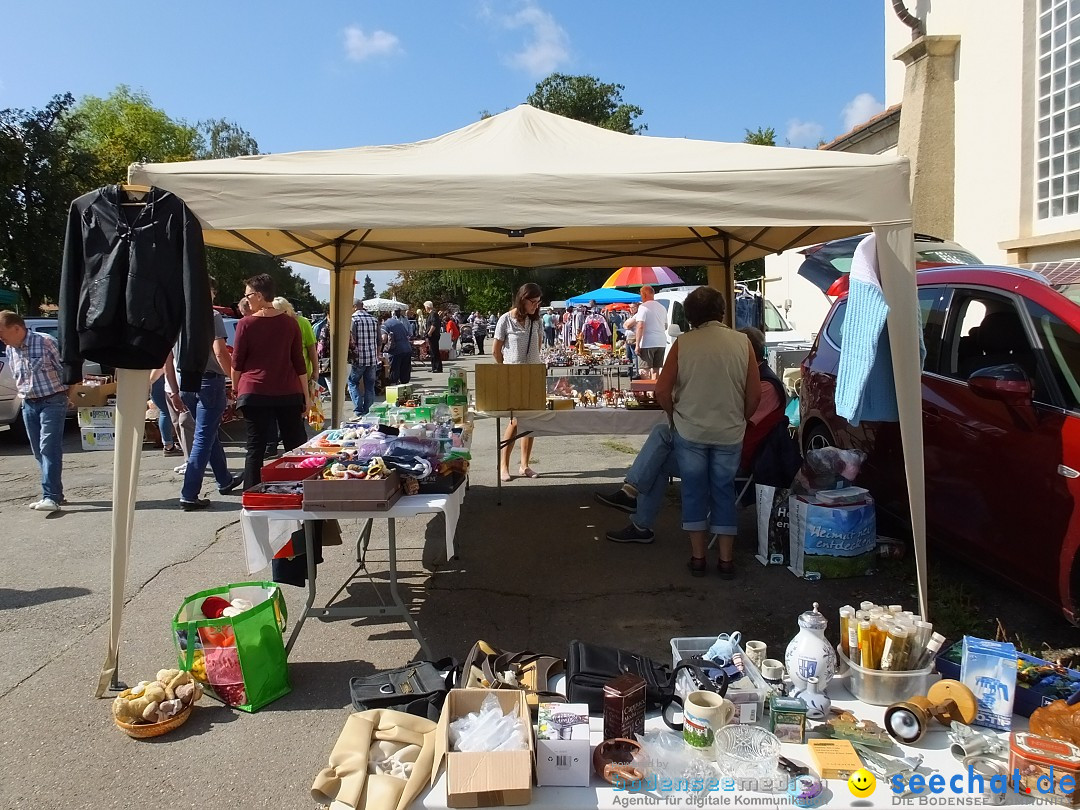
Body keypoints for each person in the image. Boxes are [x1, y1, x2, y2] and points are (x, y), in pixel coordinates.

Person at [596, 326, 785, 553]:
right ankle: (636, 509)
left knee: (661, 444)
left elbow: (734, 423)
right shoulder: (752, 379)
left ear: (746, 354)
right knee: (660, 446)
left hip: (734, 460)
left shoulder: (766, 387)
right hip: (722, 449)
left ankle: (635, 503)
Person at [167, 277, 244, 510]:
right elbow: (220, 352)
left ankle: (224, 479)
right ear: (208, 292)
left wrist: (173, 389)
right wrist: (235, 379)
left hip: (186, 380)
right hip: (209, 380)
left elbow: (167, 358)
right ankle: (189, 493)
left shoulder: (176, 316)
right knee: (203, 436)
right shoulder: (211, 316)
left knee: (208, 432)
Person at [231, 274, 311, 489]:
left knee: (255, 447)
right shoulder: (290, 323)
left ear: (258, 295)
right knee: (295, 445)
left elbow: (237, 362)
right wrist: (307, 395)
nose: (246, 299)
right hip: (288, 391)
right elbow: (299, 363)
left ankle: (252, 495)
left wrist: (236, 389)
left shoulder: (245, 324)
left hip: (254, 390)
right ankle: (300, 489)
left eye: (248, 295)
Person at [0, 311, 68, 511]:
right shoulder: (11, 349)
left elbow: (66, 369)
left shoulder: (46, 342)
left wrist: (68, 395)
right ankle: (56, 494)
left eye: (2, 332)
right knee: (38, 451)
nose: (0, 338)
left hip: (53, 400)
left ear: (17, 328)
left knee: (49, 447)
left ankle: (51, 497)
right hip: (28, 403)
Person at [493, 283, 543, 481]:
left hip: (533, 376)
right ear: (523, 299)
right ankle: (503, 465)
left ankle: (524, 465)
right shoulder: (505, 319)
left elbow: (537, 348)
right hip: (513, 377)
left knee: (530, 422)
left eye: (538, 302)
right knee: (514, 421)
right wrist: (505, 369)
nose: (536, 306)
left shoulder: (535, 321)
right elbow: (496, 351)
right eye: (533, 302)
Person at [347, 299, 380, 415]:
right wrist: (377, 355)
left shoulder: (353, 320)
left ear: (354, 307)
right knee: (370, 385)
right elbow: (379, 341)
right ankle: (369, 410)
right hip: (372, 359)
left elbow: (352, 340)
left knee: (352, 382)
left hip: (359, 358)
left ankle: (358, 409)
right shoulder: (374, 320)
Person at [635, 286, 668, 379]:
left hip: (647, 342)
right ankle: (654, 391)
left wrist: (637, 345)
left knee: (644, 370)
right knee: (656, 369)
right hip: (661, 342)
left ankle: (648, 392)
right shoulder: (662, 307)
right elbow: (665, 326)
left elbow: (640, 326)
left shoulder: (643, 307)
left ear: (644, 295)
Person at [383, 309, 414, 385]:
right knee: (405, 373)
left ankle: (394, 390)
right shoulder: (399, 322)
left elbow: (383, 339)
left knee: (394, 371)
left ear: (382, 319)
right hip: (407, 349)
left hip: (396, 351)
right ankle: (405, 389)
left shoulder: (385, 324)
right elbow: (408, 333)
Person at [424, 301, 443, 373]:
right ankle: (434, 367)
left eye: (425, 307)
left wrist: (429, 333)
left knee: (435, 351)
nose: (425, 308)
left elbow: (434, 324)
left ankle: (437, 367)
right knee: (432, 351)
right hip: (432, 335)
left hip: (433, 335)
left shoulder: (433, 314)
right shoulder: (432, 314)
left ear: (428, 307)